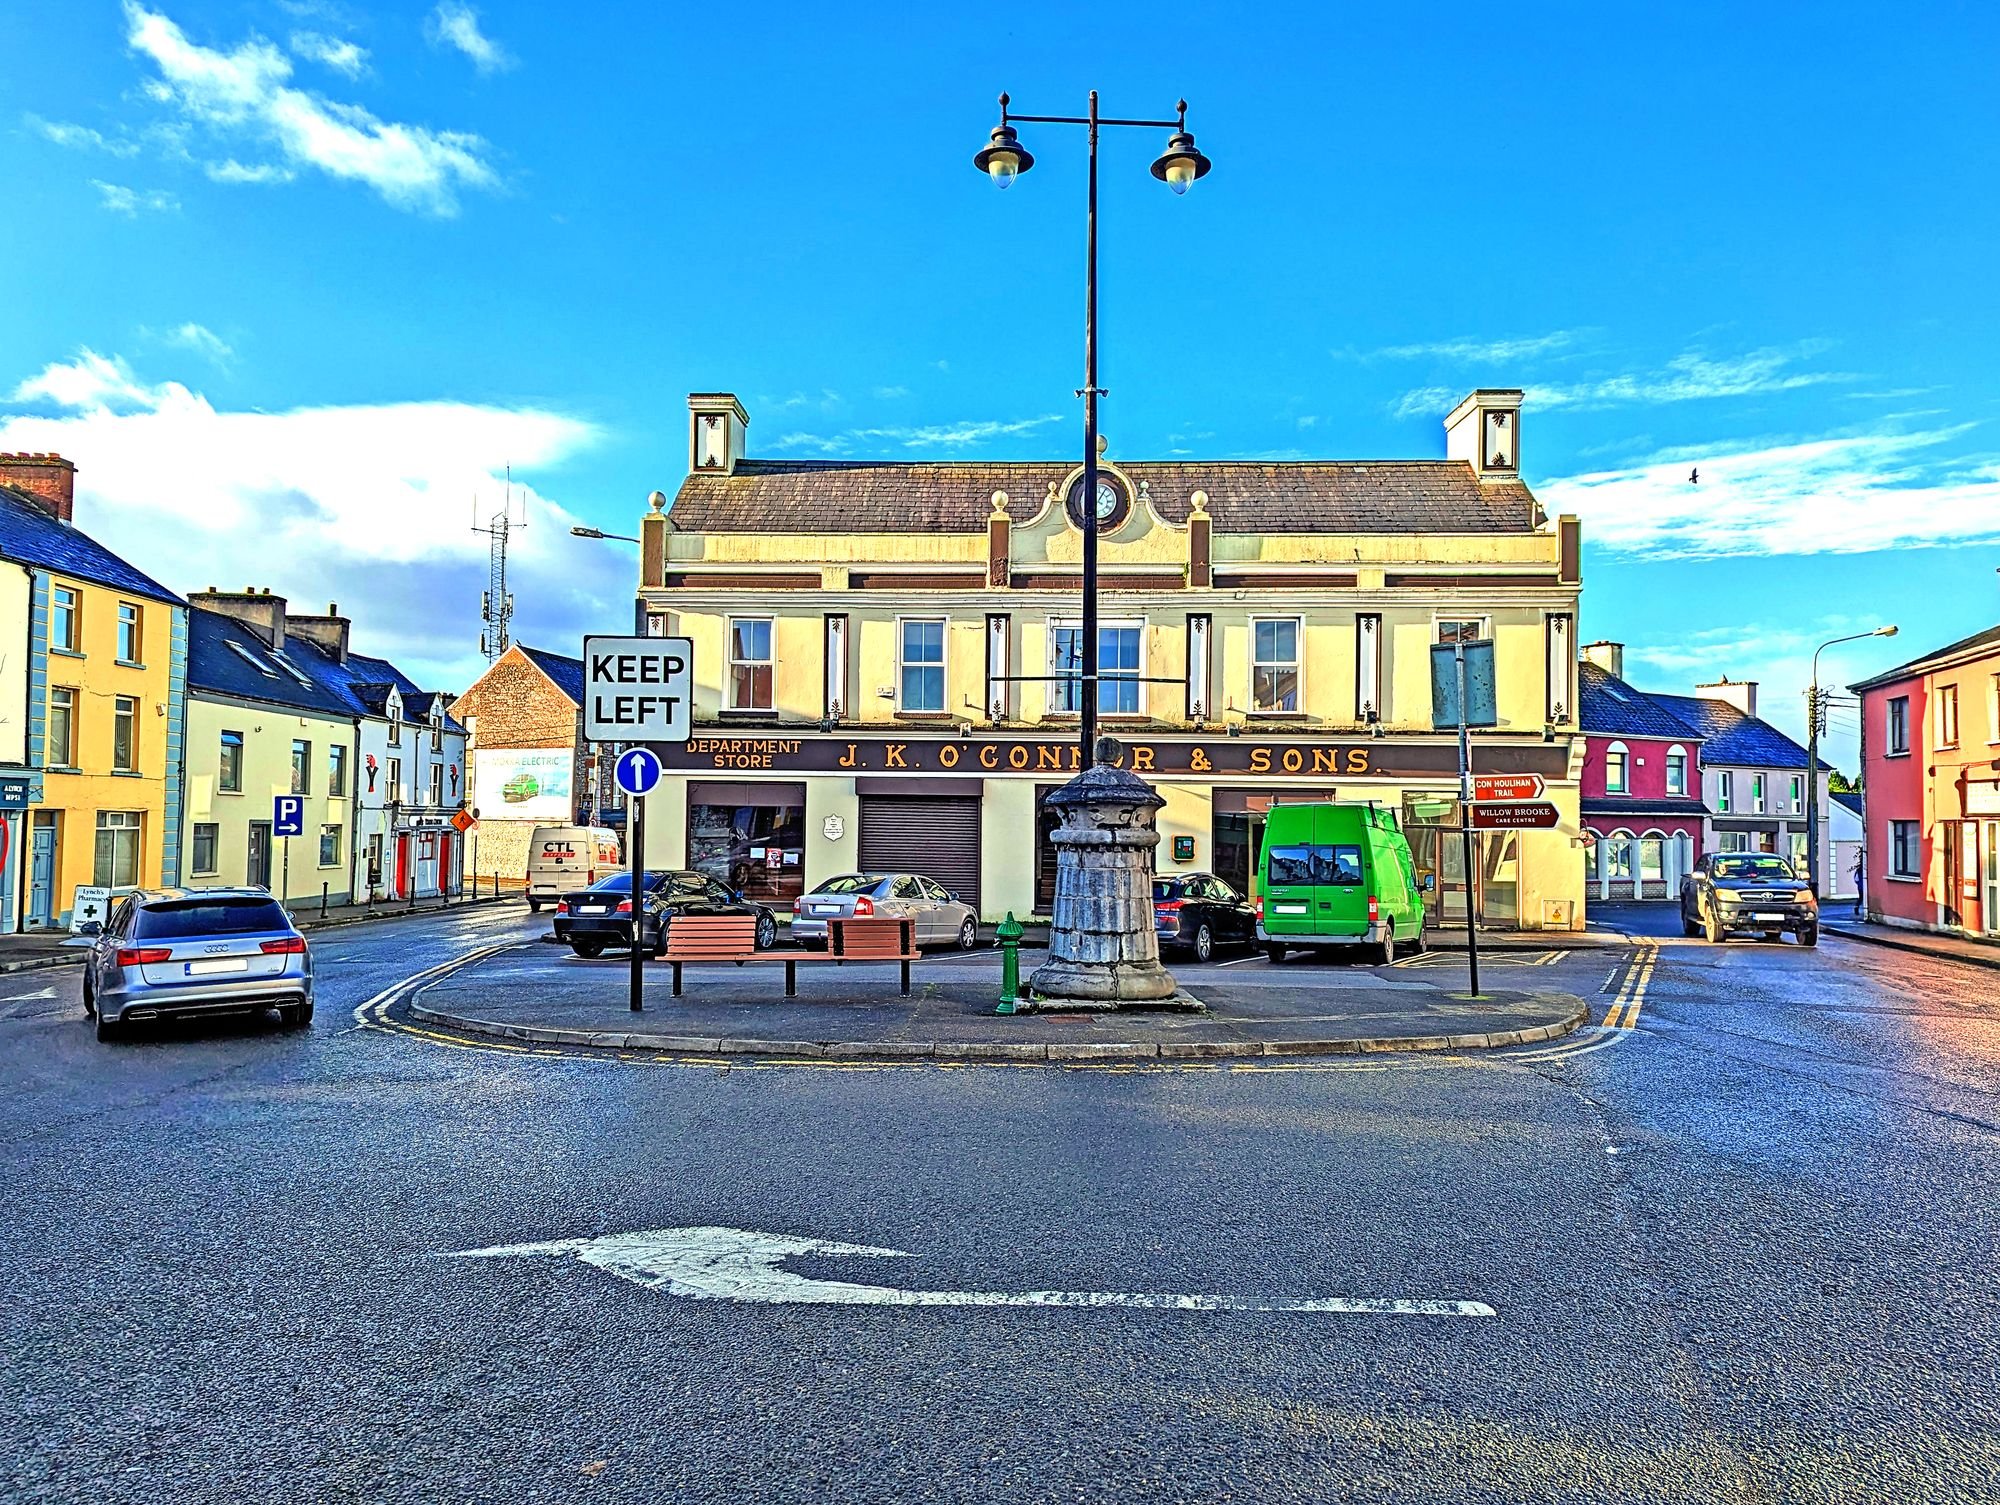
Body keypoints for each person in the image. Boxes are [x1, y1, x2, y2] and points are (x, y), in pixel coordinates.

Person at [1852, 852, 1866, 919]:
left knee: (1861, 898)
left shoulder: (1858, 870)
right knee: (1862, 898)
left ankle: (1856, 908)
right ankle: (1858, 908)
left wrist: (1858, 883)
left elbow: (1856, 879)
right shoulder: (1865, 869)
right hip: (1863, 886)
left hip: (1860, 886)